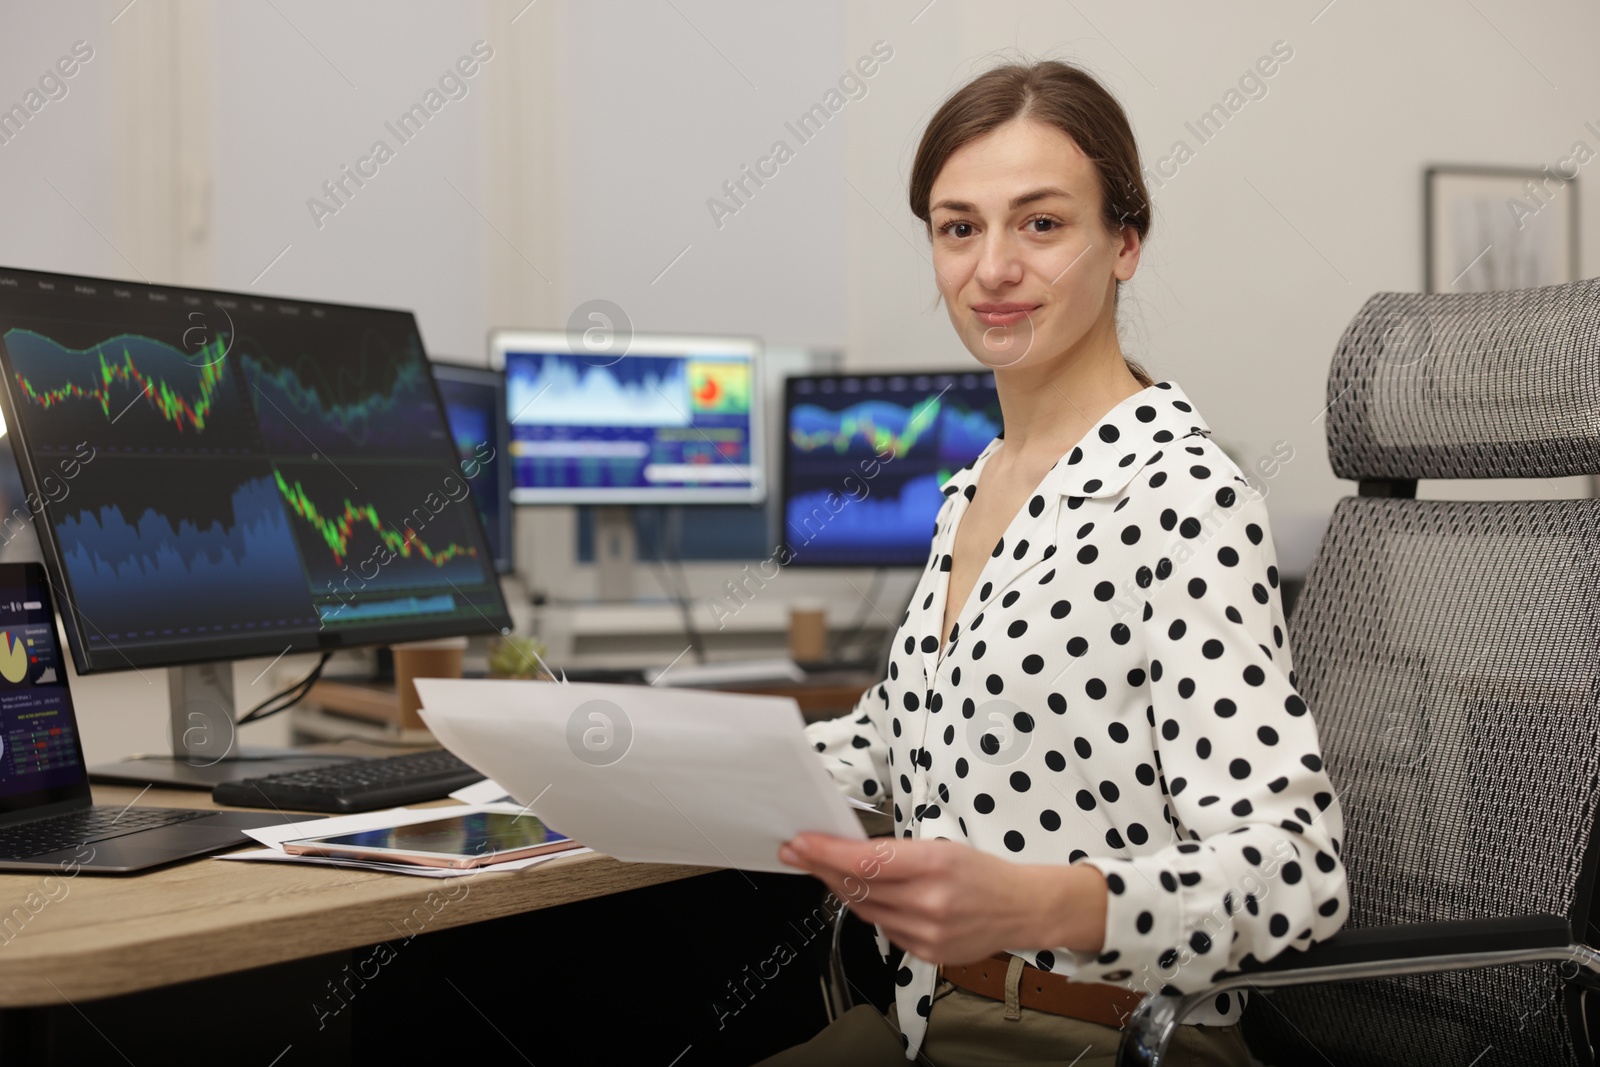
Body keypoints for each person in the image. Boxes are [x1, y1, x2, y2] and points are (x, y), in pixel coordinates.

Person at [761, 60, 1348, 1067]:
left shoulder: (1180, 496)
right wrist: (647, 759)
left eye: (1039, 224)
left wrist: (1042, 899)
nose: (991, 267)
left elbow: (1297, 872)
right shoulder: (976, 485)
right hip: (922, 1017)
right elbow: (902, 744)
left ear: (1124, 242)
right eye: (958, 227)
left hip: (1097, 1033)